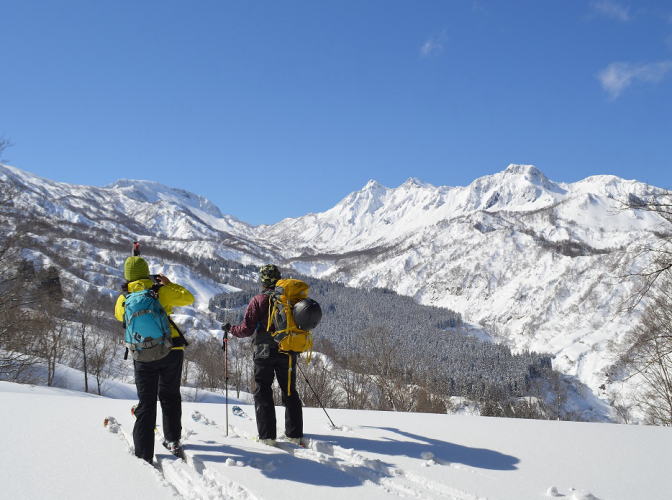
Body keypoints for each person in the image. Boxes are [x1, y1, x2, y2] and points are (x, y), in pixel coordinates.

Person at [114, 255, 194, 462]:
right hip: (171, 350)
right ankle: (173, 440)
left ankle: (143, 453)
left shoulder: (124, 298)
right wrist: (169, 284)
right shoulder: (160, 291)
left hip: (142, 355)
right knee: (170, 396)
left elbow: (118, 316)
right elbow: (188, 298)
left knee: (146, 402)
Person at [223, 264, 303, 445]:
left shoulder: (258, 300)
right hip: (287, 349)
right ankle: (295, 434)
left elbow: (245, 330)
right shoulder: (290, 299)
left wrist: (230, 329)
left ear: (262, 280)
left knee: (263, 391)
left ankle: (267, 437)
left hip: (263, 351)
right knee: (289, 391)